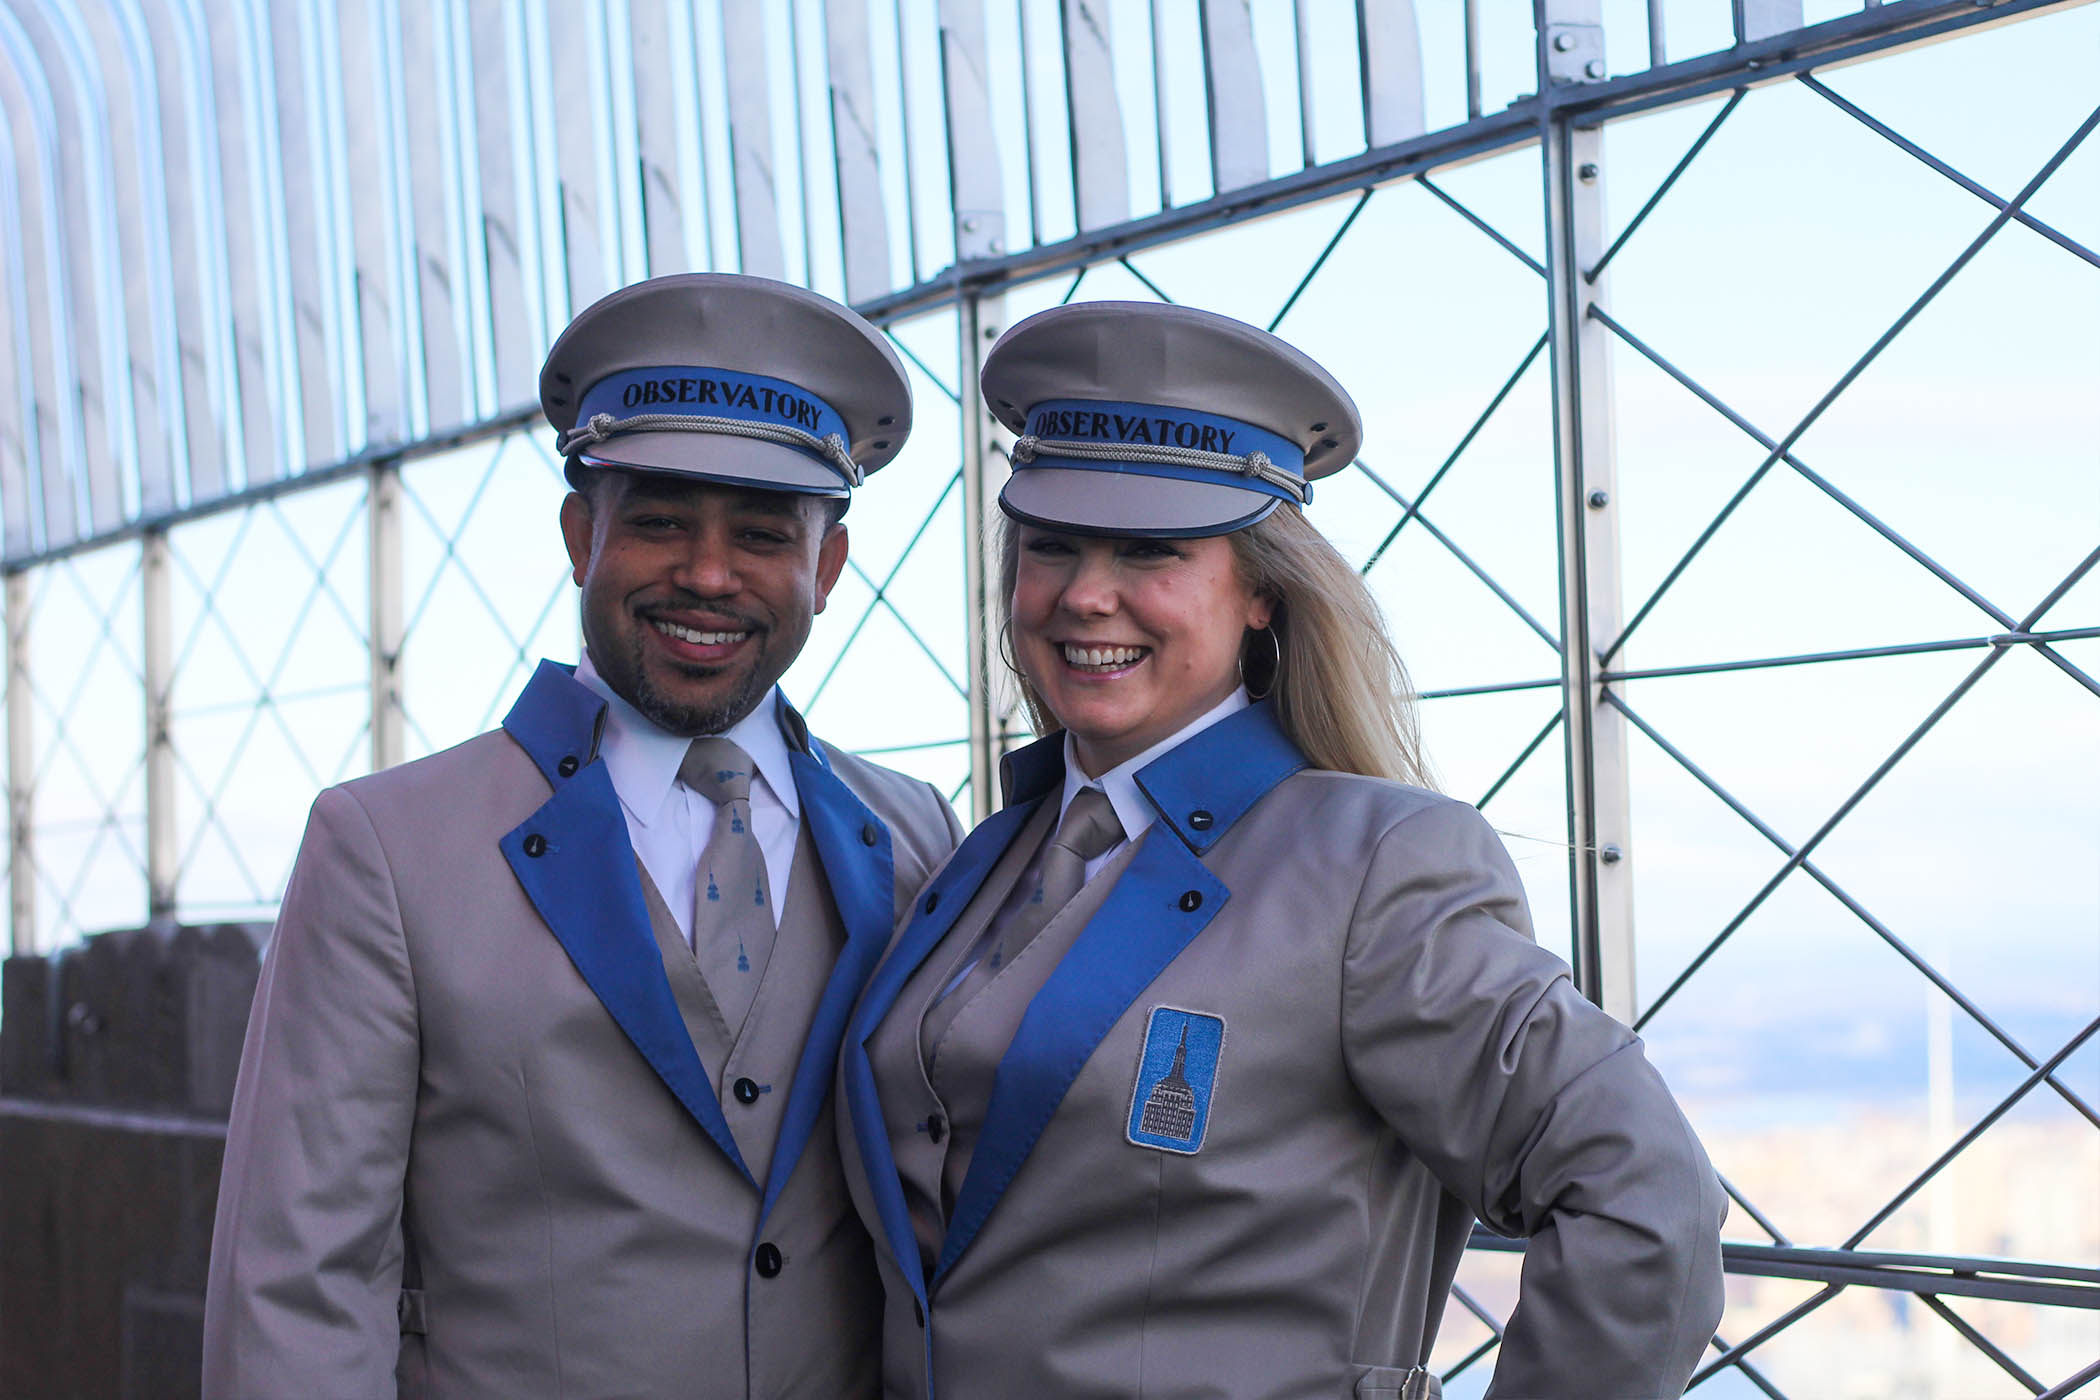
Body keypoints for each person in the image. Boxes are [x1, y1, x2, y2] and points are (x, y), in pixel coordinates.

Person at [836, 301, 1727, 1400]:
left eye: (1151, 549)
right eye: (1052, 544)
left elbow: (1647, 1195)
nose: (1083, 594)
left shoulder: (1377, 867)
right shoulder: (985, 858)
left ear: (1261, 588)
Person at [204, 274, 963, 1399]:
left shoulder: (915, 833)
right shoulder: (385, 847)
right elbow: (298, 1281)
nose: (707, 574)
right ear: (579, 533)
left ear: (828, 568)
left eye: (761, 533)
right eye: (657, 520)